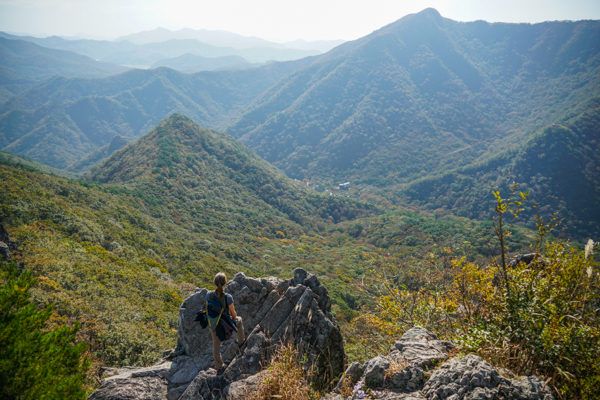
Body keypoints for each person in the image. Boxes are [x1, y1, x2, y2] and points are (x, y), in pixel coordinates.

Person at [206, 272, 245, 371]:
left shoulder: (208, 295)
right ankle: (241, 342)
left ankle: (219, 366)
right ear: (225, 283)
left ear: (215, 283)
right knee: (239, 320)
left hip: (213, 324)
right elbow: (233, 314)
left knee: (216, 345)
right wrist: (233, 317)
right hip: (225, 324)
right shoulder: (228, 297)